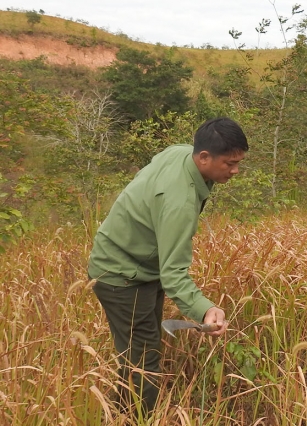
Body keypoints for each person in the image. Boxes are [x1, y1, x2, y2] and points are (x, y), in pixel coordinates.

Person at [88, 117, 248, 418]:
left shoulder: (178, 152)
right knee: (144, 364)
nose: (235, 170)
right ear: (203, 157)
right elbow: (173, 275)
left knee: (141, 352)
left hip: (140, 267)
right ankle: (136, 419)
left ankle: (115, 414)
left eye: (239, 162)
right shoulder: (179, 202)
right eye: (229, 163)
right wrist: (205, 309)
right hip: (121, 276)